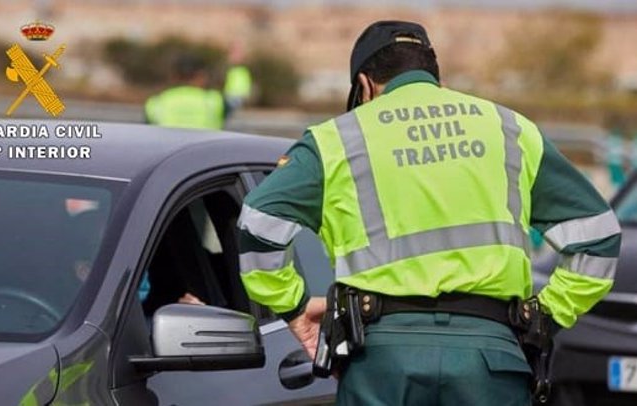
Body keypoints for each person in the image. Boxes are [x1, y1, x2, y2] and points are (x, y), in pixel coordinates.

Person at [236, 20, 622, 405]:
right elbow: (598, 235)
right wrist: (545, 317)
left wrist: (294, 307)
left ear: (366, 85)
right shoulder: (510, 130)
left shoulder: (337, 138)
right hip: (491, 358)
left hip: (381, 360)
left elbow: (259, 225)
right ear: (433, 76)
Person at [145, 55, 227, 130]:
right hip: (207, 146)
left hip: (170, 146)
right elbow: (235, 99)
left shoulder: (156, 103)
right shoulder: (215, 100)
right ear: (201, 75)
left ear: (174, 76)